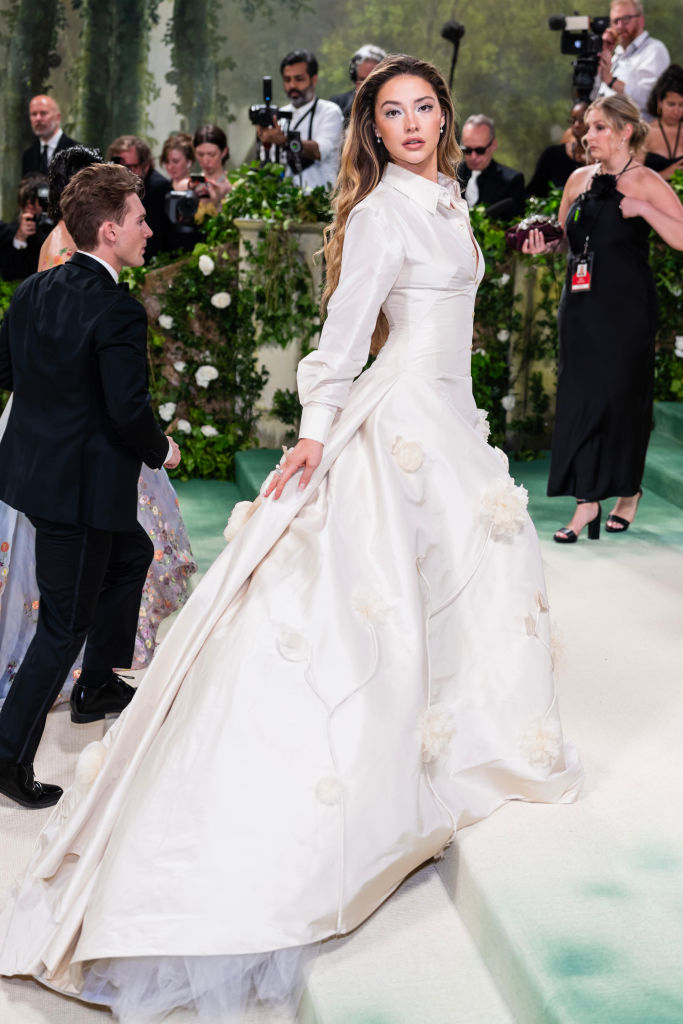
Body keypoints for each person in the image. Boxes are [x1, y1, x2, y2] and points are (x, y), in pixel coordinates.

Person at [0, 55, 581, 1017]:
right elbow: (347, 331)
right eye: (389, 112)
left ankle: (457, 729)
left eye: (422, 108)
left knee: (468, 576)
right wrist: (316, 433)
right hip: (396, 423)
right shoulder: (385, 211)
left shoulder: (445, 201)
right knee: (383, 592)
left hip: (447, 420)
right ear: (370, 127)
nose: (410, 123)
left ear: (444, 115)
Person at [0, 163, 181, 810]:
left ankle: (98, 684)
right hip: (77, 494)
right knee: (62, 625)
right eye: (139, 219)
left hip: (42, 479)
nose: (149, 228)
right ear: (109, 231)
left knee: (131, 553)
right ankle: (6, 755)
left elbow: (7, 370)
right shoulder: (117, 309)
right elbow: (128, 409)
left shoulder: (32, 291)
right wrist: (163, 449)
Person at [523, 95, 683, 542]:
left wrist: (647, 210)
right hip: (579, 309)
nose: (586, 136)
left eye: (597, 128)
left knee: (621, 401)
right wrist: (543, 245)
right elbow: (564, 240)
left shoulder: (647, 182)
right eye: (587, 128)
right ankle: (586, 503)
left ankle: (627, 493)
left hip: (627, 311)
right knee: (580, 401)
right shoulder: (577, 178)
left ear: (625, 131)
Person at [256, 49, 344, 191]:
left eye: (299, 79)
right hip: (283, 204)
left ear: (313, 79)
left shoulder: (329, 112)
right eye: (287, 80)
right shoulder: (279, 114)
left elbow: (319, 151)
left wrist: (284, 141)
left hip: (320, 205)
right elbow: (268, 163)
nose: (292, 86)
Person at [595, 1, 670, 120]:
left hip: (638, 135)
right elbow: (593, 97)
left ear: (641, 20)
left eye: (626, 19)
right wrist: (603, 56)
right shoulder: (616, 55)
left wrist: (612, 81)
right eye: (615, 21)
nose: (619, 26)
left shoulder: (654, 50)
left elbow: (651, 101)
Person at [106, 135, 171, 261]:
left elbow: (154, 238)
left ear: (145, 166)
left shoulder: (158, 188)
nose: (123, 172)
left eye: (130, 167)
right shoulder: (115, 186)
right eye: (118, 166)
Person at [458, 114, 525, 218]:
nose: (473, 156)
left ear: (493, 145)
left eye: (480, 150)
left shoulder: (511, 181)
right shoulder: (450, 175)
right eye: (467, 150)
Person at [526, 101, 589, 199]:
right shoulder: (552, 155)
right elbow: (533, 191)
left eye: (582, 119)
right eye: (573, 120)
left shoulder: (601, 160)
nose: (576, 124)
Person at [0, 174, 49, 280]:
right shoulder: (8, 232)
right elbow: (10, 275)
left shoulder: (53, 230)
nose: (32, 208)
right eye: (28, 203)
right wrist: (20, 239)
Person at [21, 95, 79, 176]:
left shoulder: (78, 153)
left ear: (57, 118)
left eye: (43, 113)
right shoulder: (28, 155)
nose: (38, 118)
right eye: (34, 114)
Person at [330, 43, 387, 126]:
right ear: (355, 79)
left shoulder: (395, 108)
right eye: (362, 80)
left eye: (373, 79)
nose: (367, 86)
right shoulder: (337, 105)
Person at [643, 64, 683, 179]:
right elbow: (632, 178)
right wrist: (665, 174)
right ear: (660, 102)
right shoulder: (645, 133)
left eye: (681, 105)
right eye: (671, 104)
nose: (676, 111)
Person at [192, 124, 232, 217]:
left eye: (211, 154)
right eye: (200, 154)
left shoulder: (233, 185)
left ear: (224, 152)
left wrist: (218, 201)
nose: (205, 161)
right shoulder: (192, 183)